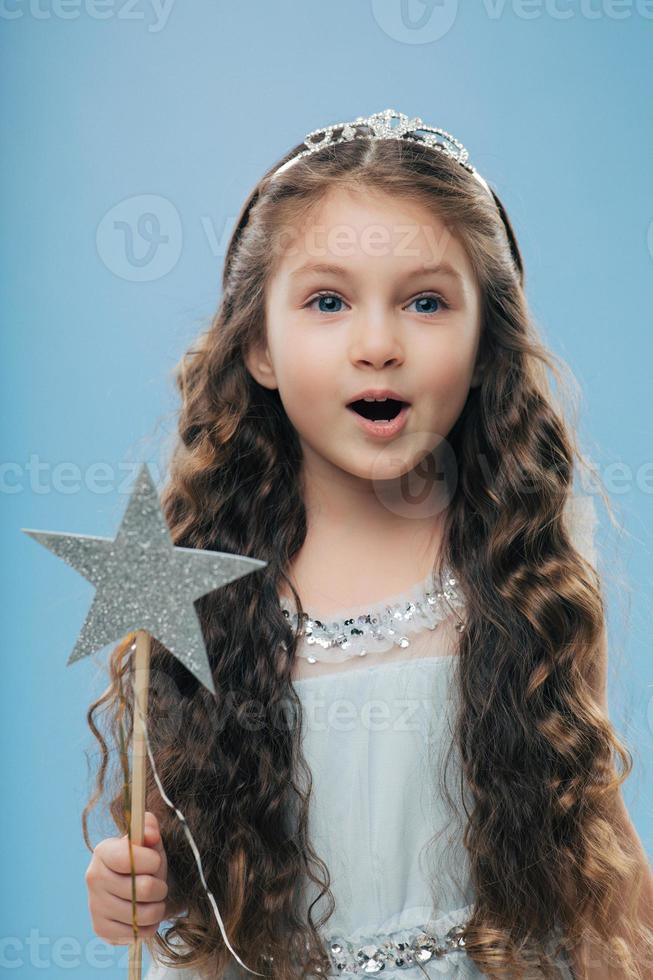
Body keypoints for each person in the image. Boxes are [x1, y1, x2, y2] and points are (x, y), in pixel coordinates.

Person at [83, 109, 653, 979]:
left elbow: (598, 865)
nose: (378, 345)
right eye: (326, 301)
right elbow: (174, 866)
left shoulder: (521, 576)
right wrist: (129, 888)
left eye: (425, 302)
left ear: (482, 340)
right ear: (259, 348)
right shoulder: (200, 598)